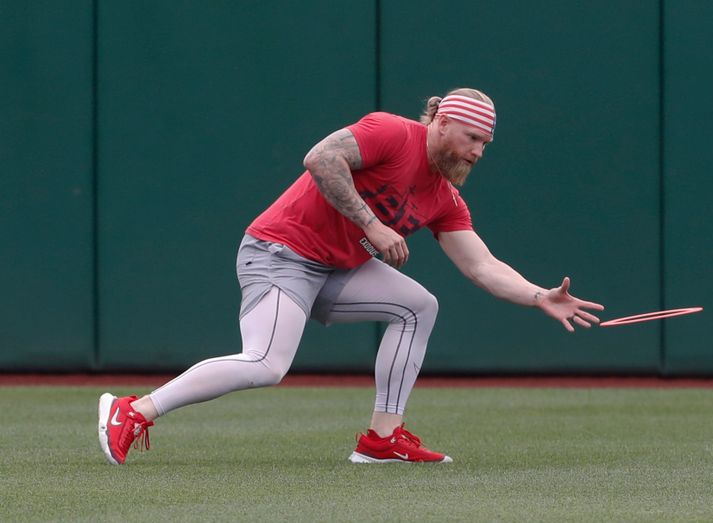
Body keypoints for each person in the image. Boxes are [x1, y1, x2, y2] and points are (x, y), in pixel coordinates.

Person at [97, 87, 605, 465]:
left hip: (332, 269)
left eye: (485, 145)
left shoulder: (444, 196)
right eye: (472, 138)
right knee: (266, 364)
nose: (477, 152)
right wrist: (372, 224)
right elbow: (320, 158)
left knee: (419, 306)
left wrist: (540, 296)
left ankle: (382, 438)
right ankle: (134, 410)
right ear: (444, 122)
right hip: (281, 252)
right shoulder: (393, 132)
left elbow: (482, 266)